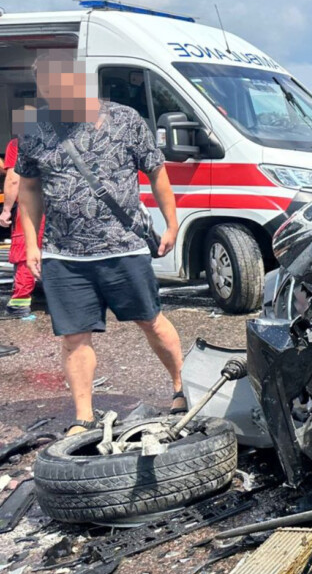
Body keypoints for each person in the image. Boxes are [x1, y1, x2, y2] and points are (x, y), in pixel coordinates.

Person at [16, 51, 186, 435]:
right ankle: (83, 416)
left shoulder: (125, 119)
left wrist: (172, 225)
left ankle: (181, 386)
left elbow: (157, 173)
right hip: (64, 253)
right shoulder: (34, 128)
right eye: (46, 89)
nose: (53, 95)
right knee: (73, 337)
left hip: (123, 247)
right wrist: (31, 244)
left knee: (151, 321)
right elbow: (28, 189)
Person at [1, 116, 43, 318]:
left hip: (33, 203)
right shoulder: (55, 140)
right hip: (57, 202)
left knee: (25, 248)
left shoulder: (18, 143)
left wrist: (6, 209)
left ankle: (20, 303)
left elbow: (13, 179)